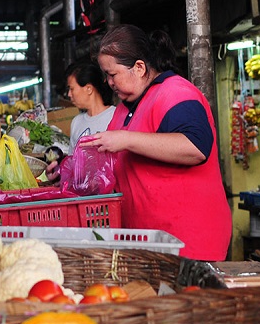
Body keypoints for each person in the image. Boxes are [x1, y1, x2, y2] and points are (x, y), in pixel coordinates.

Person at [81, 24, 231, 261]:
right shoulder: (126, 106)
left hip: (186, 243)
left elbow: (196, 147)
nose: (108, 82)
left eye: (112, 74)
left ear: (139, 67)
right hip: (149, 244)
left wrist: (126, 139)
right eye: (106, 75)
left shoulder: (176, 93)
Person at [63, 60, 115, 154]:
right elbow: (72, 160)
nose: (69, 94)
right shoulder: (76, 122)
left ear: (88, 89)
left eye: (72, 89)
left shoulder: (115, 116)